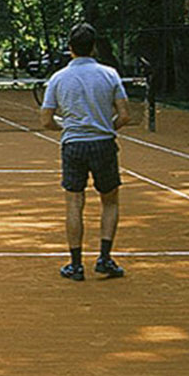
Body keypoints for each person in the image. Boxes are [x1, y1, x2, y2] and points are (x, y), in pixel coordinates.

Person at [40, 23, 132, 281]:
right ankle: (104, 259)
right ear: (94, 47)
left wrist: (67, 127)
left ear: (70, 48)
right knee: (110, 201)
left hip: (73, 146)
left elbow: (45, 120)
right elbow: (125, 115)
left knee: (74, 203)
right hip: (103, 145)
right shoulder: (110, 74)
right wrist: (105, 127)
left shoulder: (58, 78)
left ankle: (76, 265)